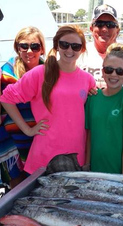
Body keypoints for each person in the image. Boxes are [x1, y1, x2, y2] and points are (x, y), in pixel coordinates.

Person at [0, 25, 96, 174]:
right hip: (45, 154)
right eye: (65, 44)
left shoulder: (88, 80)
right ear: (57, 45)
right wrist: (28, 129)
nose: (69, 50)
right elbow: (6, 98)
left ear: (82, 49)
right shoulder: (39, 73)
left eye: (75, 46)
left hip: (77, 155)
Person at [85, 43, 123, 175]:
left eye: (120, 71)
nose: (114, 74)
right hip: (95, 170)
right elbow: (89, 136)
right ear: (103, 71)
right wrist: (87, 164)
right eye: (109, 70)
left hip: (119, 172)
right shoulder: (93, 98)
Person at [0, 26, 45, 188]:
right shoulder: (6, 74)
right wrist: (27, 129)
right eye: (24, 46)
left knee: (42, 183)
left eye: (34, 46)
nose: (29, 51)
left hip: (43, 135)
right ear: (17, 47)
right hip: (13, 139)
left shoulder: (50, 72)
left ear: (42, 49)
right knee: (17, 185)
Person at [78, 4, 123, 88]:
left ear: (118, 31)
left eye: (110, 24)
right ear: (91, 29)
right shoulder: (79, 52)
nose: (104, 29)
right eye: (99, 24)